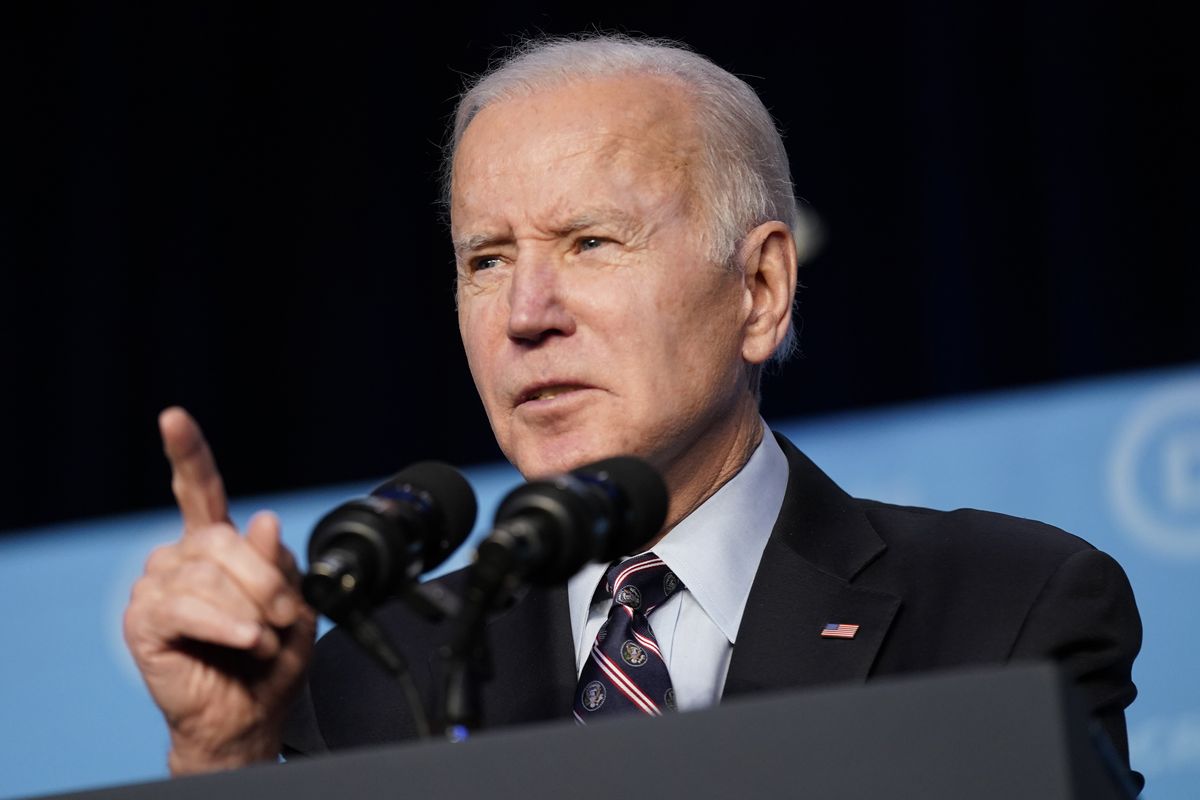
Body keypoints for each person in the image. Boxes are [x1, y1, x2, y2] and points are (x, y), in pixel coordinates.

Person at [123, 32, 1143, 788]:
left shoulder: (1008, 609)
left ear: (761, 290)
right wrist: (223, 760)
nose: (527, 314)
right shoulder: (364, 680)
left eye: (590, 243)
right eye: (487, 260)